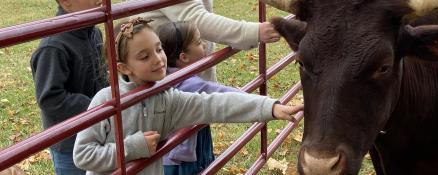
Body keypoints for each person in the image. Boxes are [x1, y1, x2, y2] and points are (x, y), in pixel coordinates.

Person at [73, 18, 303, 175]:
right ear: (124, 68)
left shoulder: (167, 98)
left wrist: (270, 107)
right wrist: (133, 147)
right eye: (144, 57)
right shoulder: (105, 101)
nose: (158, 59)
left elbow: (215, 104)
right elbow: (83, 155)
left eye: (158, 49)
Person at [156, 21, 244, 174]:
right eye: (198, 42)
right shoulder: (189, 85)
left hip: (180, 151)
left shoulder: (167, 76)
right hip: (181, 160)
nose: (203, 44)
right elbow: (224, 95)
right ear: (184, 57)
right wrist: (262, 102)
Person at [30, 0, 106, 175]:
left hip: (98, 130)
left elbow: (102, 75)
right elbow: (50, 98)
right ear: (66, 2)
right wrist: (96, 106)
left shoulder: (94, 33)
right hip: (69, 144)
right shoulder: (53, 46)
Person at [126, 0, 281, 82]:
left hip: (182, 75)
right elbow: (197, 19)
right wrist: (252, 32)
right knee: (180, 138)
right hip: (171, 82)